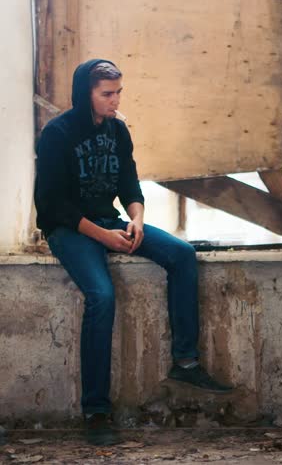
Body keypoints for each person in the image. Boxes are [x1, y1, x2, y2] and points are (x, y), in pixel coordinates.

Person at [34, 59, 232, 445]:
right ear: (84, 94)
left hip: (109, 220)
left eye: (118, 91)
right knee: (101, 296)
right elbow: (51, 205)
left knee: (182, 254)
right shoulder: (57, 134)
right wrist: (103, 237)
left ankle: (186, 362)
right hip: (69, 230)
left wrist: (136, 221)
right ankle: (96, 412)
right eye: (107, 93)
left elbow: (129, 186)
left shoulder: (117, 131)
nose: (115, 100)